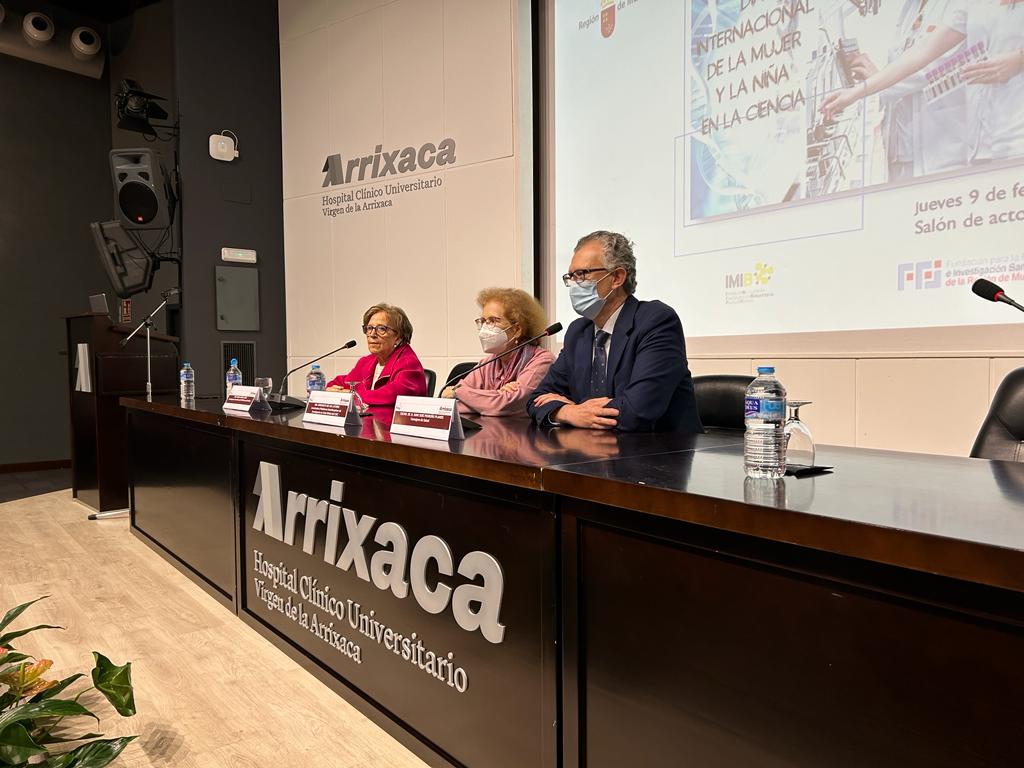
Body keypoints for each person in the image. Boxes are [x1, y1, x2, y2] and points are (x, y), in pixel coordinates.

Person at [526, 231, 703, 433]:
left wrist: (574, 407)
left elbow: (637, 412)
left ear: (617, 277)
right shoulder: (578, 331)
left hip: (658, 455)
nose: (574, 284)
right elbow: (536, 400)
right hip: (594, 454)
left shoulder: (656, 321)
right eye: (570, 277)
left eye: (582, 274)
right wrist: (567, 413)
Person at [822, 1, 1024, 164]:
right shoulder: (971, 5)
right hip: (982, 146)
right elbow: (921, 53)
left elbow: (938, 67)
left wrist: (1019, 60)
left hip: (1015, 138)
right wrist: (857, 91)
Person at [440, 288, 555, 417]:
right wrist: (494, 398)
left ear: (517, 329)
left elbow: (504, 406)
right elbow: (448, 403)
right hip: (490, 433)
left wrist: (458, 392)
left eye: (493, 320)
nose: (485, 327)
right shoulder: (488, 362)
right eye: (483, 321)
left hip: (528, 435)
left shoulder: (542, 360)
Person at [325, 303, 427, 408]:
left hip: (392, 423)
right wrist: (330, 391)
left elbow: (391, 395)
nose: (372, 335)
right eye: (369, 328)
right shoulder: (366, 362)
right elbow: (342, 383)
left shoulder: (408, 363)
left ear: (398, 336)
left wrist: (350, 396)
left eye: (381, 329)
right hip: (368, 422)